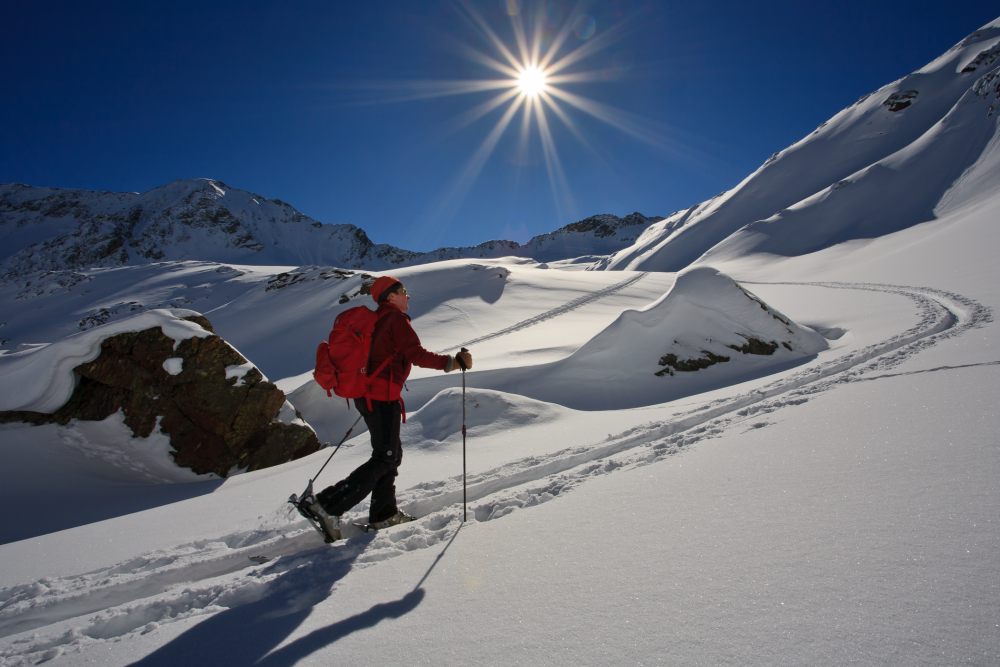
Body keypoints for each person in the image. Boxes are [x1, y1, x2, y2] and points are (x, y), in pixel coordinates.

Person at [301, 275, 472, 540]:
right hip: (380, 398)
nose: (408, 296)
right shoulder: (394, 320)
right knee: (385, 457)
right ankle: (326, 505)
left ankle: (384, 513)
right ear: (391, 296)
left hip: (369, 395)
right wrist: (454, 363)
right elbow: (415, 354)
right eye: (404, 291)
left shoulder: (378, 320)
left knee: (390, 454)